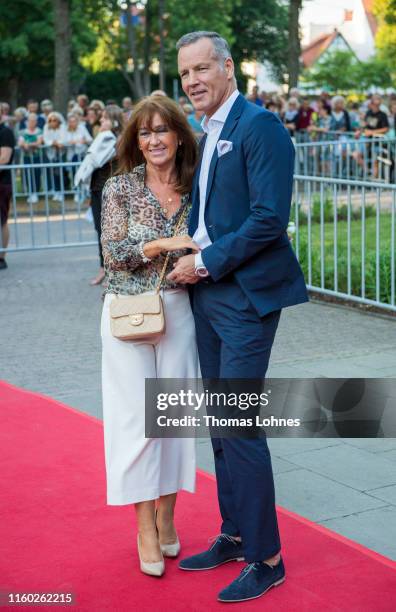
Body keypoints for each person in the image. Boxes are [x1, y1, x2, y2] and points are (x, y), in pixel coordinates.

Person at [172, 31, 308, 603]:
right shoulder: (208, 131)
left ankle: (268, 558)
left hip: (245, 296)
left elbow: (267, 219)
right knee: (221, 428)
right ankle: (234, 532)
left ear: (228, 68)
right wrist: (186, 252)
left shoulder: (260, 127)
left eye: (202, 68)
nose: (193, 81)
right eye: (184, 74)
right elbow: (212, 214)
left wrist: (203, 263)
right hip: (209, 293)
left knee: (241, 427)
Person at [100, 95, 199, 577]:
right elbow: (112, 253)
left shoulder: (197, 187)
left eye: (162, 130)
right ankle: (143, 528)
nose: (154, 139)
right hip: (127, 316)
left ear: (179, 135)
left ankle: (167, 516)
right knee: (135, 422)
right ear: (135, 141)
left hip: (180, 313)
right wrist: (162, 243)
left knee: (173, 418)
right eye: (145, 132)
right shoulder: (118, 188)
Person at [74, 105, 124, 285]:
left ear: (114, 120)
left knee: (112, 231)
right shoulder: (104, 138)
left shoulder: (118, 141)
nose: (101, 121)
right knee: (100, 230)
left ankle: (113, 269)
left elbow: (100, 160)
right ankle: (104, 267)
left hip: (111, 190)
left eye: (104, 118)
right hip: (97, 189)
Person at [0, 105, 16, 270]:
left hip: (2, 183)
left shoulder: (5, 132)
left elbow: (4, 159)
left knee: (2, 221)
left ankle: (1, 257)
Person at [18, 112, 44, 204]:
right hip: (27, 157)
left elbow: (39, 142)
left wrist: (28, 144)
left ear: (36, 122)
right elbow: (20, 143)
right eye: (30, 120)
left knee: (37, 174)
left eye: (34, 121)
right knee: (27, 174)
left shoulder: (39, 131)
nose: (32, 122)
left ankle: (35, 192)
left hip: (37, 157)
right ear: (27, 121)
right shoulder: (23, 132)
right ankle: (30, 192)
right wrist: (27, 144)